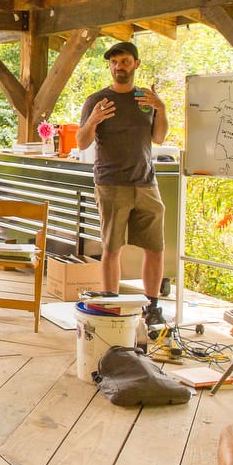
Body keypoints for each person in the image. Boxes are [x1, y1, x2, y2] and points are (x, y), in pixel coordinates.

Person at [75, 41, 168, 327]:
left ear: (136, 64)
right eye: (114, 63)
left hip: (146, 183)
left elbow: (160, 138)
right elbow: (81, 141)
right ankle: (111, 302)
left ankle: (151, 306)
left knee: (155, 248)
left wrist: (161, 108)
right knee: (112, 248)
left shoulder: (146, 100)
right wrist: (92, 120)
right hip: (111, 183)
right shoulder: (97, 100)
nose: (119, 67)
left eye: (125, 61)